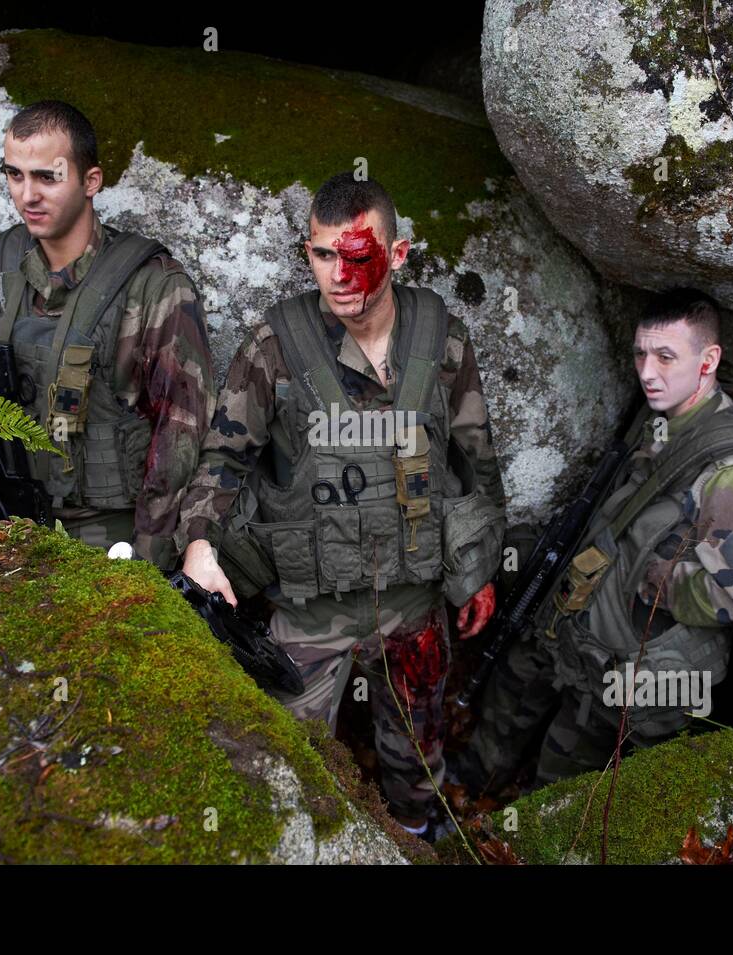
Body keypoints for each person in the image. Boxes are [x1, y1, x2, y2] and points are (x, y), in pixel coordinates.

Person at [175, 173, 506, 835]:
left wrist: (479, 569)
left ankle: (415, 833)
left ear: (400, 254)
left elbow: (476, 461)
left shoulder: (442, 341)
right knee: (284, 761)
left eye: (359, 254)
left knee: (418, 754)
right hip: (311, 605)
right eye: (324, 254)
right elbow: (223, 454)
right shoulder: (277, 345)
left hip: (414, 599)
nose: (339, 273)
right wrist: (200, 544)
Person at [453, 291, 733, 795]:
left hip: (629, 662)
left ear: (708, 360)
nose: (647, 371)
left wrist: (653, 581)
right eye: (640, 354)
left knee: (560, 781)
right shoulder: (664, 421)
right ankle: (463, 796)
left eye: (666, 357)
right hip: (578, 621)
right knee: (509, 699)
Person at [0, 100, 215, 568]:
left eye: (47, 177)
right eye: (15, 175)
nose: (27, 196)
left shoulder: (154, 285)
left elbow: (180, 436)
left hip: (107, 530)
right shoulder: (0, 265)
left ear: (90, 181)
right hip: (7, 514)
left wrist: (149, 560)